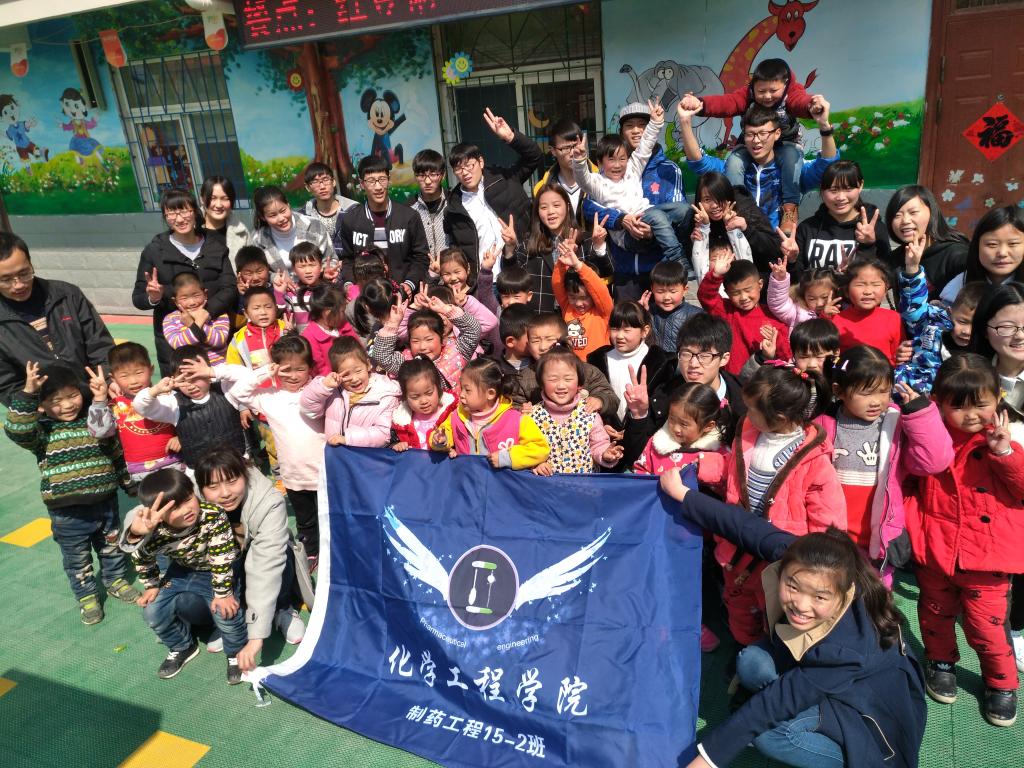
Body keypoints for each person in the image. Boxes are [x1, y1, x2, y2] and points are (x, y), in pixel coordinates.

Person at [660, 468, 926, 768]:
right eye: (793, 586)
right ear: (785, 568)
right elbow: (743, 526)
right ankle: (809, 707)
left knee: (771, 734)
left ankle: (848, 759)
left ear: (844, 594)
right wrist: (683, 494)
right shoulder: (806, 560)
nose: (800, 605)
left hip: (869, 711)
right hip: (828, 675)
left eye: (819, 597)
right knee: (751, 661)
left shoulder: (845, 649)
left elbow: (770, 706)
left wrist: (703, 762)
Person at [907, 354, 1024, 726]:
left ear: (997, 399)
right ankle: (941, 662)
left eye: (981, 404)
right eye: (958, 406)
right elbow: (907, 486)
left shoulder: (1004, 442)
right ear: (938, 402)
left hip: (987, 557)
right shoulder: (929, 439)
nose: (971, 415)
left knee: (986, 625)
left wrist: (1004, 453)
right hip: (936, 548)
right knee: (935, 614)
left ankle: (1002, 682)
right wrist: (916, 527)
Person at [705, 362, 845, 649]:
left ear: (779, 418)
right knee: (739, 607)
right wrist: (702, 466)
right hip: (737, 550)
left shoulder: (813, 460)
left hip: (780, 560)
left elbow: (827, 517)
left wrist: (818, 559)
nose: (746, 413)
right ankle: (745, 648)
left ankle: (772, 656)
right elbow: (731, 471)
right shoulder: (749, 434)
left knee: (776, 612)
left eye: (752, 409)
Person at [4, 361, 140, 624]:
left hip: (105, 502)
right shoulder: (42, 432)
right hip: (67, 512)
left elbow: (115, 453)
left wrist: (127, 483)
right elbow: (17, 429)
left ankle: (115, 580)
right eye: (55, 401)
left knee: (111, 547)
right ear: (42, 405)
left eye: (72, 395)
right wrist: (28, 393)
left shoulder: (94, 422)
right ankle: (86, 595)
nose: (67, 405)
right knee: (77, 558)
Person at [187, 335, 326, 571]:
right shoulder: (270, 397)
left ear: (310, 367)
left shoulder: (317, 390)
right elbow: (240, 392)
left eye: (300, 369)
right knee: (306, 520)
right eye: (286, 370)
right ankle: (311, 552)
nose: (293, 375)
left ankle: (332, 551)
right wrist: (265, 372)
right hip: (294, 476)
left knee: (329, 517)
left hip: (325, 474)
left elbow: (327, 386)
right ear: (276, 368)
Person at [817, 346, 952, 576]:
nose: (876, 401)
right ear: (838, 391)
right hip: (831, 535)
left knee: (876, 594)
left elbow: (934, 461)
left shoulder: (895, 424)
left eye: (883, 391)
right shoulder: (822, 425)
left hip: (878, 539)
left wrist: (920, 415)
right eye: (866, 393)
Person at [121, 468, 248, 684]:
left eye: (189, 499)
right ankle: (182, 646)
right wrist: (151, 584)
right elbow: (141, 556)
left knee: (225, 611)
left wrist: (223, 593)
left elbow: (221, 558)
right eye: (174, 508)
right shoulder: (154, 531)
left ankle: (236, 651)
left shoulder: (212, 515)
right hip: (182, 570)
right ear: (158, 513)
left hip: (219, 569)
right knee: (152, 612)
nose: (186, 509)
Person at [195, 445, 313, 670]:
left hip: (265, 561)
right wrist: (138, 531)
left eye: (232, 481)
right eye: (213, 486)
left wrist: (256, 636)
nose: (225, 493)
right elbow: (148, 509)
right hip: (226, 566)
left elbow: (265, 566)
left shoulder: (268, 500)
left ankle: (283, 608)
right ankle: (231, 619)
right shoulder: (190, 495)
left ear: (245, 475)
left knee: (279, 554)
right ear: (201, 487)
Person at [682, 57, 822, 233]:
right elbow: (727, 103)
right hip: (748, 151)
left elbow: (799, 102)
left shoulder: (791, 93)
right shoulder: (747, 95)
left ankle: (789, 209)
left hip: (787, 143)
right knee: (734, 162)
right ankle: (736, 206)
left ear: (785, 84)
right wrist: (701, 103)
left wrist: (811, 106)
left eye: (773, 90)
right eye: (761, 91)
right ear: (753, 86)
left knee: (791, 160)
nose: (767, 96)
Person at [571, 99, 692, 274]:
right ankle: (678, 259)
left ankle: (686, 251)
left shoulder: (633, 169)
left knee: (685, 210)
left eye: (622, 159)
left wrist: (655, 123)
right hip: (627, 237)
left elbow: (645, 147)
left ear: (628, 158)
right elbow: (582, 180)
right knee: (657, 216)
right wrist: (579, 160)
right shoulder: (597, 183)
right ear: (600, 162)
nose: (618, 165)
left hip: (649, 223)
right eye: (611, 159)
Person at [677, 100, 838, 230]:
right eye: (750, 134)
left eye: (763, 133)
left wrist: (824, 126)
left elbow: (826, 165)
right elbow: (699, 163)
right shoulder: (733, 167)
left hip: (778, 247)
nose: (756, 140)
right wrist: (684, 121)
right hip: (739, 245)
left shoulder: (793, 169)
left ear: (777, 134)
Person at [0, 232, 114, 406]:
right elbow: (6, 384)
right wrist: (33, 405)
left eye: (24, 273)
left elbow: (100, 346)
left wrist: (108, 380)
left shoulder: (67, 295)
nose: (19, 284)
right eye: (6, 279)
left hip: (97, 398)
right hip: (47, 412)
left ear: (31, 263)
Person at [132, 188, 234, 375]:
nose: (179, 219)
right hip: (175, 343)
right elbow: (138, 298)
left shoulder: (215, 245)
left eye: (184, 211)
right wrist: (153, 298)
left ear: (195, 211)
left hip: (215, 338)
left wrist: (206, 313)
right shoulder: (154, 251)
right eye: (171, 213)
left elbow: (230, 288)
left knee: (221, 384)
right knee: (183, 388)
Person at [621, 313, 746, 464]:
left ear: (724, 358)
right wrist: (639, 416)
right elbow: (636, 459)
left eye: (704, 356)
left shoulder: (745, 398)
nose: (693, 364)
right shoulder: (663, 396)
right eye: (686, 354)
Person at [444, 108, 544, 271]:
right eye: (458, 169)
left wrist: (510, 137)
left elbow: (534, 156)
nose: (465, 173)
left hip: (523, 269)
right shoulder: (454, 207)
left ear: (481, 162)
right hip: (486, 278)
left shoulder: (504, 178)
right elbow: (458, 249)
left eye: (469, 165)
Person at [132, 345, 246, 471]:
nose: (191, 386)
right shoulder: (174, 404)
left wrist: (213, 371)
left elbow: (247, 375)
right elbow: (141, 406)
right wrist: (156, 390)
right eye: (184, 381)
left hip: (238, 466)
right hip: (200, 473)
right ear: (175, 379)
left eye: (196, 377)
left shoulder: (226, 390)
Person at [501, 183, 610, 313]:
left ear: (567, 207)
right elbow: (512, 278)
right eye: (544, 207)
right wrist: (510, 248)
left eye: (556, 205)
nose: (550, 212)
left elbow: (605, 273)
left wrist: (598, 245)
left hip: (579, 318)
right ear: (537, 212)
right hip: (541, 318)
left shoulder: (585, 240)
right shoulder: (529, 244)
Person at [429, 357, 549, 470]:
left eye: (468, 390)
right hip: (466, 481)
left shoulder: (517, 421)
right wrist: (440, 440)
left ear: (490, 393)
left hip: (499, 483)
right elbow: (442, 435)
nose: (461, 394)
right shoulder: (456, 417)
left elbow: (540, 449)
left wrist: (507, 458)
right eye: (461, 388)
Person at [89, 342, 184, 483]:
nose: (133, 381)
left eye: (139, 373)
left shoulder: (166, 395)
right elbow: (99, 432)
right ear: (113, 379)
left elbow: (188, 421)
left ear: (151, 370)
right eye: (124, 376)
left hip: (174, 465)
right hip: (140, 473)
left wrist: (181, 437)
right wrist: (99, 399)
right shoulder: (116, 406)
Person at [895, 242, 983, 394]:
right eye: (962, 321)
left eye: (976, 325)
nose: (967, 331)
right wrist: (912, 269)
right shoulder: (934, 321)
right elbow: (913, 310)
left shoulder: (986, 344)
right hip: (905, 389)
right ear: (949, 312)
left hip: (947, 400)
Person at [338, 156, 430, 294]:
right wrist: (349, 285)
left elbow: (421, 257)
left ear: (389, 180)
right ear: (362, 184)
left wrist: (409, 284)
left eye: (382, 179)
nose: (378, 187)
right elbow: (348, 260)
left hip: (402, 294)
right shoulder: (350, 220)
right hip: (366, 295)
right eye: (371, 181)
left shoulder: (409, 217)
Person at [529, 343, 622, 475]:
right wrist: (536, 464)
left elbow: (598, 444)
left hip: (584, 485)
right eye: (553, 379)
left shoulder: (589, 413)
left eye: (568, 379)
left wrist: (606, 453)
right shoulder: (532, 415)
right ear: (541, 383)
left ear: (579, 383)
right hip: (546, 485)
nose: (561, 385)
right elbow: (526, 448)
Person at [587, 300, 676, 435]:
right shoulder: (597, 359)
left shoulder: (660, 361)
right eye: (615, 329)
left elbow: (662, 407)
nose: (619, 336)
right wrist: (601, 425)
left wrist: (637, 427)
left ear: (645, 331)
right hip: (604, 439)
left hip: (645, 436)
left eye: (627, 330)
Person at [698, 254, 791, 376]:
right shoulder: (726, 310)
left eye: (748, 290)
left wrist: (776, 340)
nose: (743, 297)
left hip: (762, 381)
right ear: (727, 292)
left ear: (760, 284)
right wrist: (715, 275)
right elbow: (706, 297)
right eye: (736, 293)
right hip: (731, 378)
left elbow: (787, 357)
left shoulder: (772, 315)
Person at [790, 160, 890, 273]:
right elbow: (796, 279)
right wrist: (792, 260)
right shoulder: (807, 229)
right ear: (821, 189)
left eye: (848, 189)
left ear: (861, 185)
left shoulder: (874, 228)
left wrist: (868, 245)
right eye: (833, 190)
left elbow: (885, 275)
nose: (841, 197)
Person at [300, 336, 401, 448]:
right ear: (336, 374)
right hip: (335, 455)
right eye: (346, 374)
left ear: (368, 365)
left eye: (358, 371)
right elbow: (308, 410)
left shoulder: (386, 395)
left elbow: (383, 435)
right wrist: (323, 386)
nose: (354, 379)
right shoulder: (332, 392)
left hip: (363, 457)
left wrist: (348, 438)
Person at [371, 292, 481, 392]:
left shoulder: (458, 350)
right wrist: (392, 324)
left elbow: (473, 330)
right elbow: (381, 355)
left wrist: (446, 309)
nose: (422, 347)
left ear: (442, 339)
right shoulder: (406, 363)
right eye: (415, 341)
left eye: (429, 339)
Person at [525, 311, 619, 423]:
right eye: (535, 341)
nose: (542, 347)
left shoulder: (587, 371)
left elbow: (611, 398)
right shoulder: (524, 377)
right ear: (528, 346)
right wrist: (521, 411)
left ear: (567, 341)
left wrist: (600, 400)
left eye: (549, 339)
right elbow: (514, 407)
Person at [684, 172, 781, 277]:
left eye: (719, 197)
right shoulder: (697, 220)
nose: (714, 205)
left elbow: (775, 249)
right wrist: (695, 244)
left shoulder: (744, 210)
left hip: (756, 276)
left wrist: (747, 230)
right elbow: (698, 268)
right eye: (707, 199)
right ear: (699, 201)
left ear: (728, 196)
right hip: (718, 280)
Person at [884, 185, 968, 300]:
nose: (905, 220)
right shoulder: (897, 257)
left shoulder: (957, 255)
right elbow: (869, 283)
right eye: (897, 215)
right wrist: (868, 245)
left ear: (932, 213)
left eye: (913, 212)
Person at [940, 205, 1024, 304]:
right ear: (976, 246)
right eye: (992, 244)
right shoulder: (960, 284)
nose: (1002, 253)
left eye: (1013, 244)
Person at [831, 258, 904, 365]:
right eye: (860, 285)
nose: (868, 291)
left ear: (886, 289)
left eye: (876, 284)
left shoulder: (894, 318)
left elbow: (899, 357)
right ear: (846, 290)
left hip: (886, 374)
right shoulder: (835, 320)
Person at [552, 238, 614, 362]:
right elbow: (557, 284)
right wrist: (561, 262)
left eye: (584, 298)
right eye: (572, 297)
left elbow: (599, 288)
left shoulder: (603, 311)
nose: (578, 303)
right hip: (572, 367)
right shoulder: (567, 307)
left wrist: (578, 265)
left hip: (598, 368)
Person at [251, 185, 332, 274]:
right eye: (273, 215)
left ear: (288, 205)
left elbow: (331, 259)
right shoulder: (258, 239)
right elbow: (259, 272)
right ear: (262, 217)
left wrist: (327, 272)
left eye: (283, 211)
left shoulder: (315, 226)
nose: (281, 218)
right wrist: (275, 278)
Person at [390, 356, 460, 451]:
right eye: (415, 397)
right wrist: (397, 445)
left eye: (429, 393)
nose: (424, 401)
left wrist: (449, 446)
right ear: (405, 397)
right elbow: (390, 444)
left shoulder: (453, 414)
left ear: (438, 387)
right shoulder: (401, 423)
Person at [161, 272, 231, 366]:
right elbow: (178, 345)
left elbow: (220, 340)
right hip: (190, 371)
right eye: (184, 298)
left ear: (205, 294)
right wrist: (197, 322)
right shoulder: (170, 319)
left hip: (219, 368)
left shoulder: (218, 314)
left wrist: (192, 324)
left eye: (196, 296)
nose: (192, 302)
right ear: (175, 301)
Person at [533, 118, 591, 221]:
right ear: (553, 151)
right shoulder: (541, 189)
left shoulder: (600, 179)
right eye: (566, 148)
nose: (573, 153)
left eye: (575, 146)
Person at [300, 282, 359, 377]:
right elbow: (319, 369)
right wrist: (339, 379)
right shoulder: (309, 337)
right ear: (327, 313)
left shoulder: (344, 325)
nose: (344, 314)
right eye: (342, 311)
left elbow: (359, 350)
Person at [644, 260, 703, 356]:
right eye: (660, 291)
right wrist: (641, 314)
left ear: (685, 290)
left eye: (673, 291)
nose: (667, 297)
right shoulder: (648, 312)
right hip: (652, 363)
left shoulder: (697, 316)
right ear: (652, 289)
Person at [301, 161, 358, 258]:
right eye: (315, 182)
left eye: (325, 179)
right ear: (307, 187)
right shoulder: (303, 216)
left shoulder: (354, 210)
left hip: (349, 264)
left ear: (334, 182)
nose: (322, 186)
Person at [767, 259, 840, 330]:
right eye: (811, 299)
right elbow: (779, 305)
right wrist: (780, 280)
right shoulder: (798, 313)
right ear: (803, 296)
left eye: (824, 297)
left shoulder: (842, 313)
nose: (819, 304)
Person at [494, 303, 539, 408]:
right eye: (532, 337)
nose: (537, 341)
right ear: (511, 341)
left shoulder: (541, 364)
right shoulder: (496, 372)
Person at [410, 149, 450, 261]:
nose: (427, 181)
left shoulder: (454, 203)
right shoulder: (408, 209)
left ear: (442, 175)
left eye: (433, 174)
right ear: (415, 176)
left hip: (451, 269)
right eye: (421, 175)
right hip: (422, 270)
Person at [200, 175, 252, 261]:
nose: (219, 205)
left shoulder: (242, 232)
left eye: (225, 199)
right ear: (202, 199)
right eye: (213, 198)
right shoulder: (190, 230)